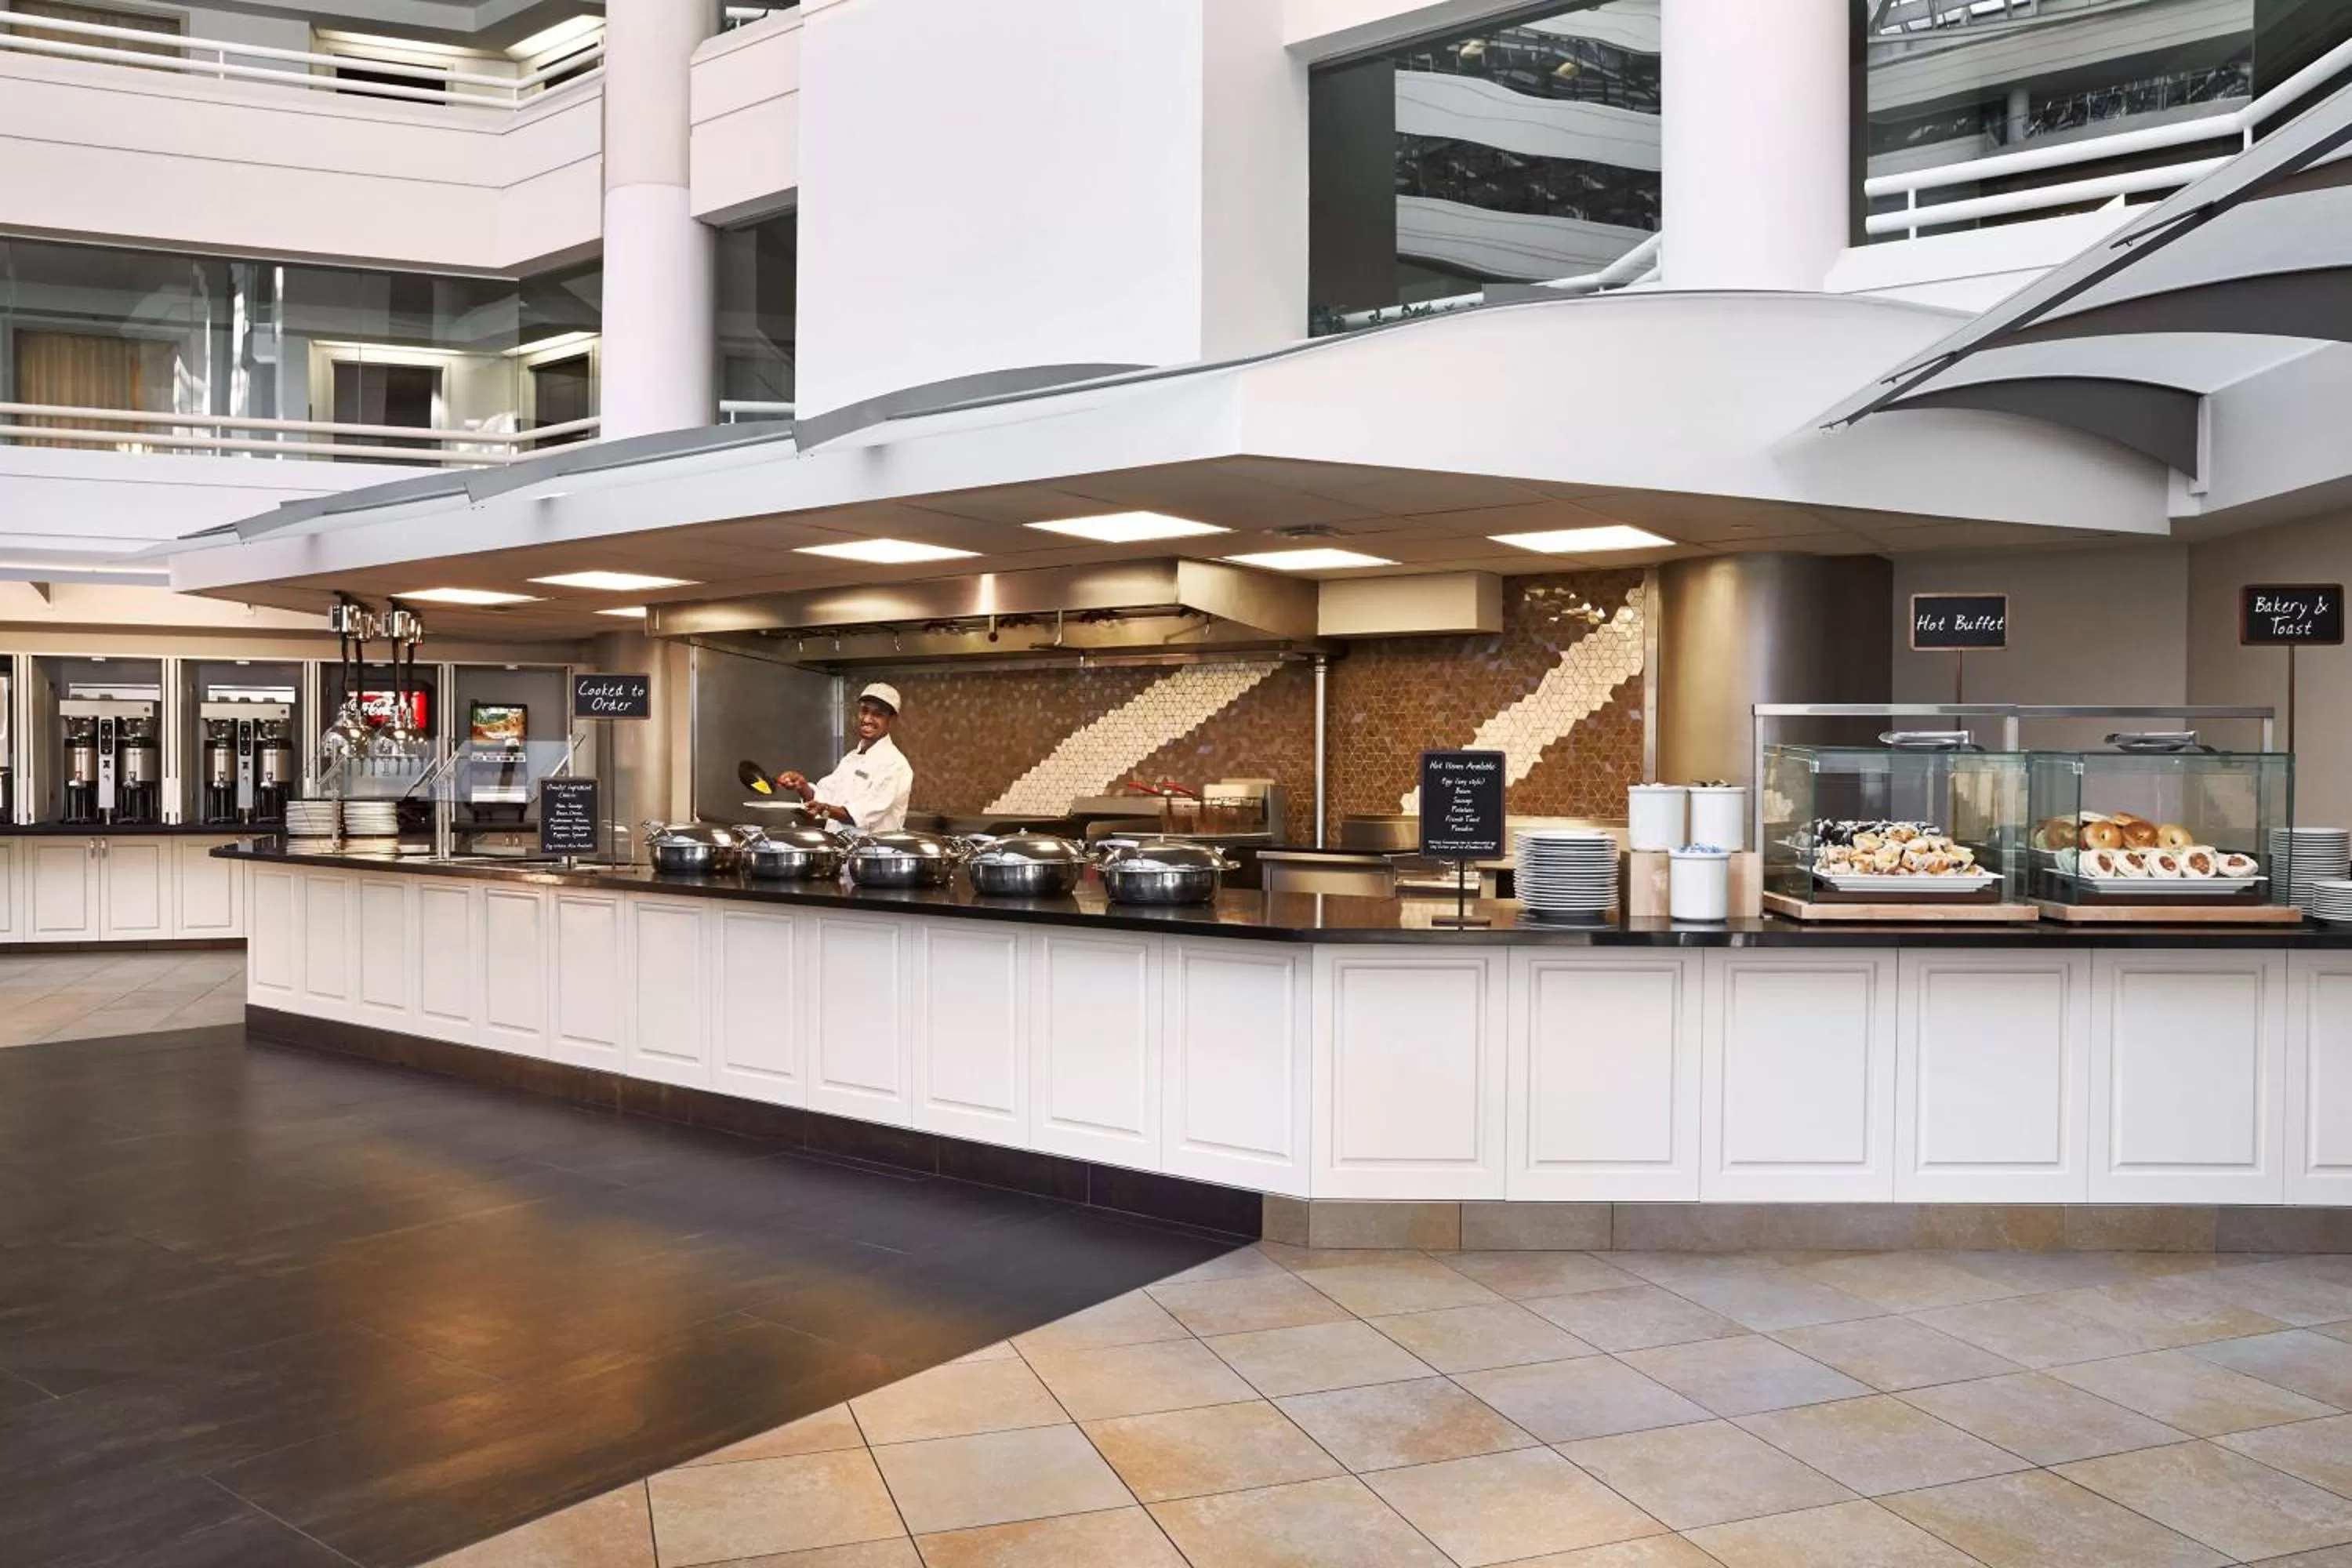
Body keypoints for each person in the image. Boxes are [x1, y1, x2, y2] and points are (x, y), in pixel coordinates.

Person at [778, 683, 913, 832]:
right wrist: (802, 786)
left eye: (878, 714)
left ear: (892, 719)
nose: (867, 719)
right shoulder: (850, 760)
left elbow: (864, 814)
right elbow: (823, 798)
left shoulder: (895, 765)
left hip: (870, 853)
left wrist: (825, 809)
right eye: (864, 711)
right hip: (840, 851)